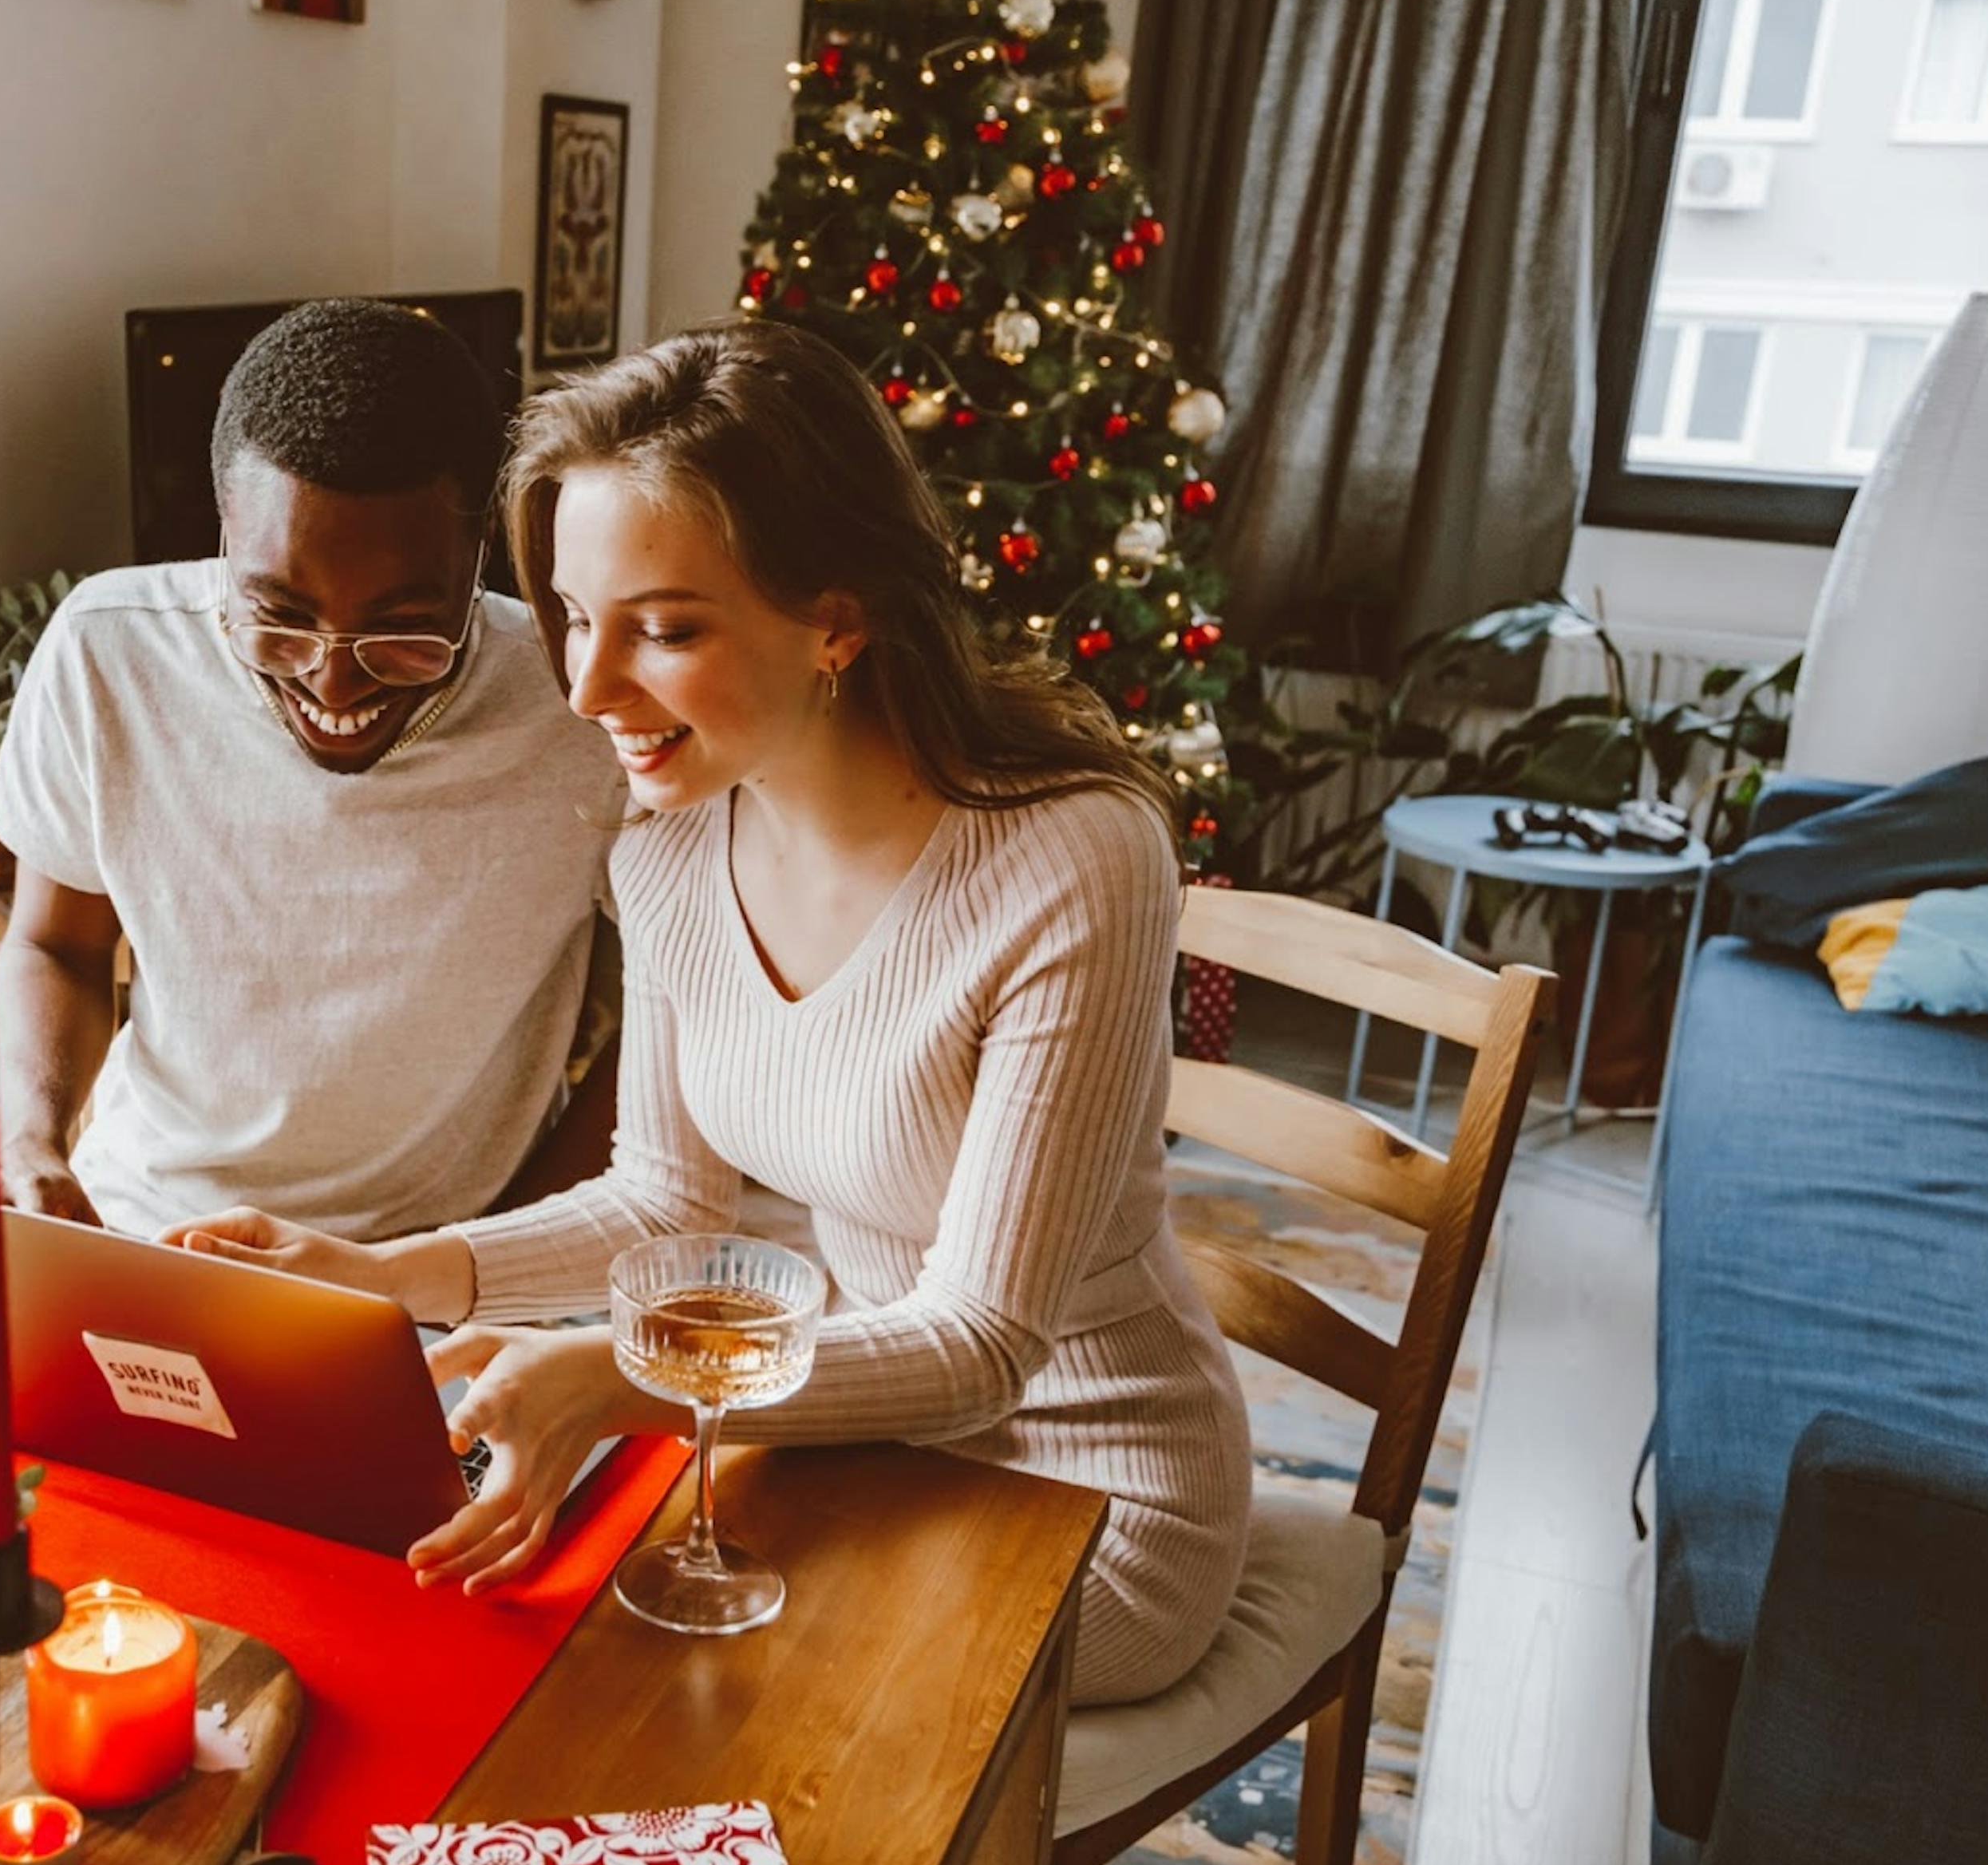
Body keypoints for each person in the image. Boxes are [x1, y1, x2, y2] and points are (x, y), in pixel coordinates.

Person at [170, 319, 1252, 1705]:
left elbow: (985, 1344)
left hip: (1095, 1492)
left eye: (665, 629)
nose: (586, 688)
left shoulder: (1073, 861)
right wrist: (387, 1275)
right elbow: (663, 1206)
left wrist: (624, 1377)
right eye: (572, 617)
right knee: (529, 1630)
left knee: (681, 1690)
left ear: (838, 618)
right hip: (849, 1432)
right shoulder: (668, 848)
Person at [0, 298, 625, 1244]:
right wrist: (30, 1137)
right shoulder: (108, 654)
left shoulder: (584, 703)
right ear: (223, 539)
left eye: (406, 629)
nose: (333, 678)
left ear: (479, 562)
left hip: (444, 1267)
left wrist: (501, 1268)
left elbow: (668, 1022)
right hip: (145, 1231)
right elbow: (57, 946)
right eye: (277, 616)